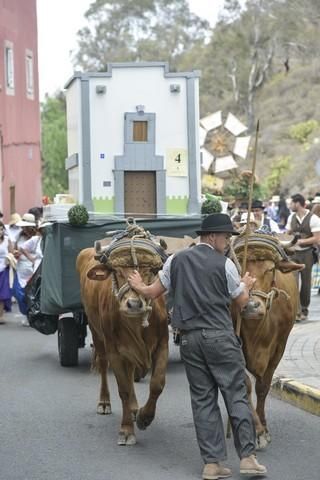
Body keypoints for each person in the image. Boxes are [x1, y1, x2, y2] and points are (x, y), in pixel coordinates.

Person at [128, 213, 267, 479]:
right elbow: (240, 302)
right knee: (235, 396)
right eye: (226, 237)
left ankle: (212, 464)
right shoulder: (225, 265)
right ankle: (247, 458)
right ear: (212, 237)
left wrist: (137, 285)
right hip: (220, 339)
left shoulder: (175, 261)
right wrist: (246, 285)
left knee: (203, 401)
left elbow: (151, 293)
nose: (227, 243)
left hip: (190, 341)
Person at [286, 193, 320, 321]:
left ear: (297, 203)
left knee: (306, 284)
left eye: (291, 203)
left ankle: (304, 309)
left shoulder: (313, 219)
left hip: (307, 253)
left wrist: (301, 241)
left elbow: (317, 238)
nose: (290, 205)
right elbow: (288, 232)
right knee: (293, 283)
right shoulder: (291, 217)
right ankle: (297, 311)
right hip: (293, 253)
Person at [12, 213, 37, 326]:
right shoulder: (19, 236)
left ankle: (32, 316)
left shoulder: (37, 237)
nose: (24, 229)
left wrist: (32, 258)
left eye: (26, 227)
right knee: (18, 292)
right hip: (21, 268)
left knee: (32, 294)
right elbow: (15, 250)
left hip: (34, 268)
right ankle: (26, 313)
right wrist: (15, 253)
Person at [0, 221, 12, 324]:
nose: (0, 231)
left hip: (3, 269)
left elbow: (12, 253)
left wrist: (9, 259)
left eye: (1, 229)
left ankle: (1, 316)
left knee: (2, 295)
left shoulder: (7, 241)